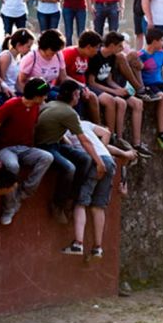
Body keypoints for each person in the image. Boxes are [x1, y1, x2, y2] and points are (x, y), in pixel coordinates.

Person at [35, 80, 107, 223]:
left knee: (84, 159)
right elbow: (84, 140)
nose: (79, 98)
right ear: (74, 95)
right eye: (78, 95)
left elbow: (56, 128)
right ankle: (58, 204)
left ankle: (71, 198)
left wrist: (68, 146)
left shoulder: (52, 104)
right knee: (69, 168)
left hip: (55, 144)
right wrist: (100, 162)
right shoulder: (69, 112)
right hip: (45, 147)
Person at [0, 78, 53, 226]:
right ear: (37, 96)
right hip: (5, 149)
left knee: (47, 157)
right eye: (44, 95)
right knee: (13, 166)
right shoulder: (11, 105)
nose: (46, 98)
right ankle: (9, 208)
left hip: (25, 149)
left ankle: (23, 193)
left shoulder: (36, 107)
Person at [86, 31, 152, 156]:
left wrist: (119, 89)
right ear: (112, 45)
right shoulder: (96, 57)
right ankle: (115, 137)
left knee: (137, 103)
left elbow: (109, 80)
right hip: (99, 88)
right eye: (120, 46)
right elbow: (92, 82)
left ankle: (136, 143)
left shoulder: (112, 57)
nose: (122, 49)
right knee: (120, 102)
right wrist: (115, 91)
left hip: (108, 87)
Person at [61, 120, 117, 258]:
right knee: (98, 206)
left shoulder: (65, 127)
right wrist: (101, 150)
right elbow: (106, 132)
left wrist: (96, 157)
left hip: (93, 161)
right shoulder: (84, 123)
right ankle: (98, 248)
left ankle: (78, 244)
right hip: (109, 160)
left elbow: (67, 143)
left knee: (81, 202)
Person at [62, 30, 104, 123]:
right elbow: (62, 76)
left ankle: (97, 126)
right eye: (96, 48)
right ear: (88, 47)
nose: (97, 51)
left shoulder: (86, 55)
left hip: (82, 86)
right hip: (69, 86)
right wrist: (81, 87)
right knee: (88, 97)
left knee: (90, 97)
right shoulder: (69, 53)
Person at [16, 29, 68, 93]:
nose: (56, 53)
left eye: (57, 50)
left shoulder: (58, 54)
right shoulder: (31, 57)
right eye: (53, 50)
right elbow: (21, 81)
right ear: (45, 47)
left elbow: (63, 77)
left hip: (47, 87)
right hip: (34, 91)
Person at [0, 29, 34, 98]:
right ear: (18, 45)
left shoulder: (18, 58)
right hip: (6, 93)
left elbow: (16, 82)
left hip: (14, 91)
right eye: (28, 46)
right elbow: (1, 80)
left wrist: (26, 94)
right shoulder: (6, 56)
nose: (30, 50)